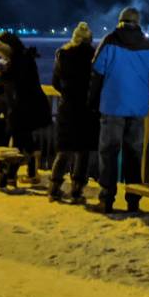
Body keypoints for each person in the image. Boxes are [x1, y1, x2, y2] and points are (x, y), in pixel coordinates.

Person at [88, 7, 149, 214]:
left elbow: (97, 72)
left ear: (120, 21)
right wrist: (145, 97)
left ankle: (107, 198)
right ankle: (133, 200)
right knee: (134, 154)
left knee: (109, 152)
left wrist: (93, 101)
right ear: (138, 23)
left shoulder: (110, 41)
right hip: (138, 108)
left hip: (112, 106)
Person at [0, 32, 52, 184]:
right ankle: (29, 172)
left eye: (1, 52)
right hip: (26, 107)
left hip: (24, 108)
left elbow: (17, 79)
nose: (0, 56)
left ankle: (10, 175)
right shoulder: (22, 58)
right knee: (25, 141)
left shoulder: (20, 60)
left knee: (18, 141)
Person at [49, 22, 97, 203]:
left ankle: (54, 188)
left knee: (64, 149)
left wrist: (67, 93)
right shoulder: (93, 56)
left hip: (67, 107)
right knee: (83, 151)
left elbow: (55, 82)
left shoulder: (63, 55)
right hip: (86, 108)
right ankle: (77, 189)